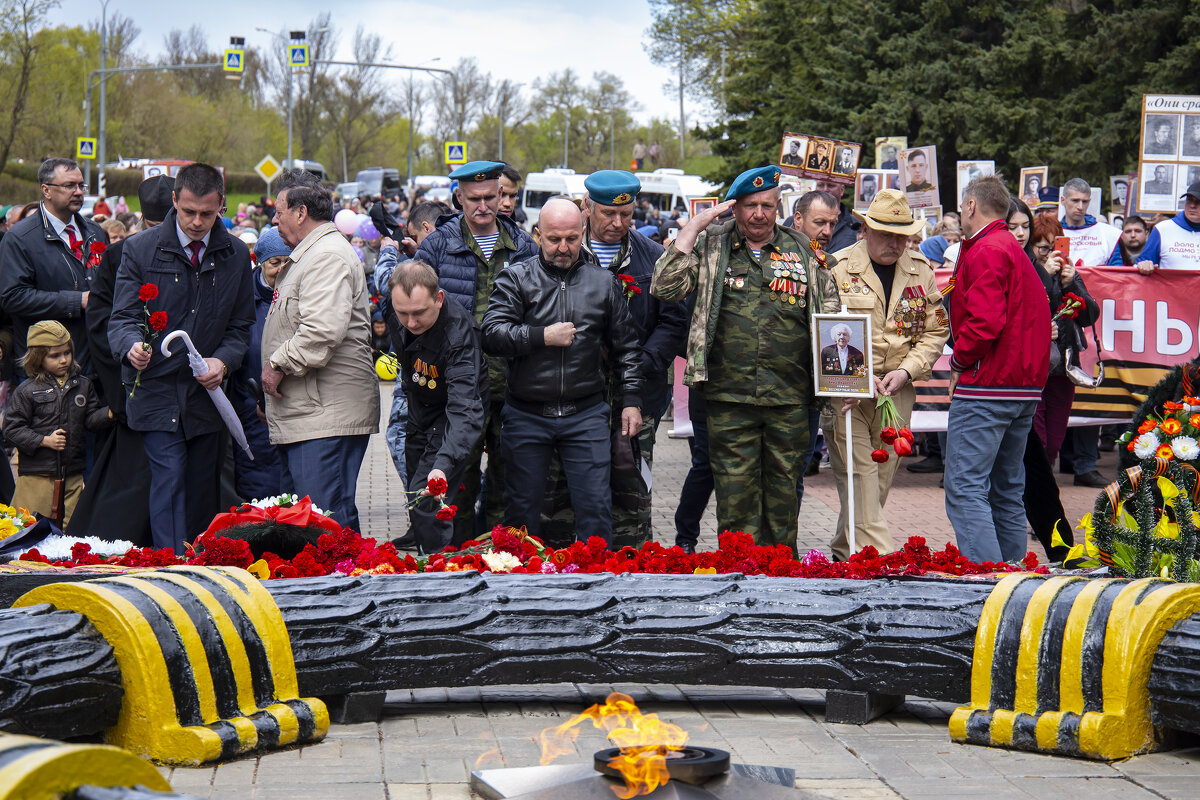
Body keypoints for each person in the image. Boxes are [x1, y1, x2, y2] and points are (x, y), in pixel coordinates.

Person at [652, 166, 838, 552]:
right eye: (750, 206)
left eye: (767, 206)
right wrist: (697, 226)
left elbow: (831, 315)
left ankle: (780, 575)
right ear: (734, 209)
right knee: (735, 496)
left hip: (790, 398)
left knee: (784, 495)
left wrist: (840, 381)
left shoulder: (802, 250)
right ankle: (740, 575)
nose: (759, 214)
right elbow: (664, 286)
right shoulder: (712, 245)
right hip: (728, 398)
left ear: (778, 207)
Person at [109, 162, 254, 552]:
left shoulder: (236, 254)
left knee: (204, 490)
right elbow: (121, 318)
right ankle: (173, 568)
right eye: (188, 211)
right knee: (169, 477)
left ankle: (201, 572)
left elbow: (241, 326)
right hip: (155, 389)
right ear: (174, 200)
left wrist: (223, 362)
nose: (196, 222)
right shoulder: (140, 249)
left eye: (207, 213)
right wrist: (131, 348)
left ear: (222, 205)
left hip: (207, 396)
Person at [481, 198, 642, 544]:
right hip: (526, 413)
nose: (563, 248)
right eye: (554, 239)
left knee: (596, 509)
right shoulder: (517, 278)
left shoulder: (603, 283)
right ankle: (521, 588)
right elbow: (492, 335)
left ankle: (597, 583)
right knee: (520, 514)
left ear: (582, 232)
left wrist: (631, 401)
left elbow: (627, 348)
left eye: (571, 238)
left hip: (585, 413)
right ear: (538, 235)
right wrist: (541, 336)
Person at [560, 170, 688, 547]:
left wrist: (643, 363)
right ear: (587, 208)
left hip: (638, 398)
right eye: (607, 214)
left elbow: (673, 318)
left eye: (626, 215)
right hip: (573, 396)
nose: (617, 223)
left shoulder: (653, 258)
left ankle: (631, 564)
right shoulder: (566, 252)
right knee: (571, 492)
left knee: (631, 491)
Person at [414, 161, 538, 539]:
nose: (483, 206)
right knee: (456, 486)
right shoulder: (437, 244)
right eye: (474, 199)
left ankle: (499, 563)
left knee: (507, 484)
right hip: (459, 390)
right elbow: (416, 308)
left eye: (490, 197)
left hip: (513, 386)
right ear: (459, 198)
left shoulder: (523, 246)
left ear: (502, 195)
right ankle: (456, 565)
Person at [825, 189, 948, 560]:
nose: (896, 243)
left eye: (903, 235)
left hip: (896, 392)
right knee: (860, 473)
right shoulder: (837, 267)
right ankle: (879, 557)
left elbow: (936, 331)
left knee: (879, 477)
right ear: (865, 229)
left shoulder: (921, 272)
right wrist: (854, 377)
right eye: (886, 233)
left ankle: (845, 550)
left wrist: (907, 371)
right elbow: (823, 331)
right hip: (847, 391)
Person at [260, 168, 380, 533]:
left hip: (325, 415)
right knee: (315, 521)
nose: (274, 219)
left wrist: (277, 363)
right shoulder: (311, 254)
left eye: (279, 211)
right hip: (313, 412)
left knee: (326, 523)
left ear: (300, 213)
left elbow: (320, 331)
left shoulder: (325, 256)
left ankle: (346, 589)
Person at [944, 175, 1050, 563]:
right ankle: (1012, 584)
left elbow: (985, 322)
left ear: (971, 206)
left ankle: (986, 585)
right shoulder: (1010, 248)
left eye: (961, 206)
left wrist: (958, 360)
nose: (960, 213)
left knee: (966, 488)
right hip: (1019, 387)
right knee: (1006, 489)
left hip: (989, 384)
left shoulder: (987, 248)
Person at [67, 175, 174, 545]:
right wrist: (123, 384)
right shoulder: (120, 255)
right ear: (143, 223)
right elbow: (102, 325)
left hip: (184, 393)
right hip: (135, 387)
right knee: (130, 486)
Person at [390, 260, 486, 555]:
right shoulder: (402, 312)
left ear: (439, 298)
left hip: (453, 414)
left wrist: (443, 465)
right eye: (402, 313)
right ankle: (432, 554)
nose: (411, 323)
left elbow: (465, 408)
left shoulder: (458, 335)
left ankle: (441, 571)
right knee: (415, 494)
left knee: (427, 497)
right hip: (420, 410)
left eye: (419, 313)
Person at [0, 157, 105, 372]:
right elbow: (12, 297)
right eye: (69, 185)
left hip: (94, 363)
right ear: (46, 190)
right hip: (45, 369)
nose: (78, 191)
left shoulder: (95, 232)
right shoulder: (20, 238)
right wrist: (77, 301)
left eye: (80, 185)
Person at [3, 321, 111, 525]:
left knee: (71, 532)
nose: (64, 360)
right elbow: (11, 430)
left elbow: (90, 419)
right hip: (37, 475)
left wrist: (111, 413)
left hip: (72, 473)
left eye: (67, 353)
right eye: (55, 355)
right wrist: (44, 441)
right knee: (29, 529)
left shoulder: (83, 385)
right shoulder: (27, 390)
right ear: (38, 358)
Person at [1019, 205, 1098, 470]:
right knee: (1036, 436)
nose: (1051, 253)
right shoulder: (1028, 271)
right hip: (1034, 366)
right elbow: (1038, 309)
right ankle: (1032, 493)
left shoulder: (1067, 273)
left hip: (1064, 367)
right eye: (1043, 248)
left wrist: (1071, 282)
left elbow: (1090, 316)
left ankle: (1044, 488)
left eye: (1056, 246)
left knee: (1054, 439)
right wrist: (1048, 277)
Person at [373, 200, 443, 492]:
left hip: (424, 371)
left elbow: (386, 284)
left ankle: (423, 506)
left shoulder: (437, 258)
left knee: (401, 438)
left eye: (414, 237)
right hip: (432, 370)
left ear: (426, 229)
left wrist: (389, 251)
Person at [229, 229, 288, 501]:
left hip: (293, 408)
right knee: (259, 493)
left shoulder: (300, 294)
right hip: (251, 412)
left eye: (288, 262)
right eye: (275, 263)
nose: (281, 269)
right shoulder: (243, 299)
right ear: (260, 262)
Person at [1134, 181, 1200, 271]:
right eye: (1189, 200)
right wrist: (1143, 265)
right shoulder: (1162, 229)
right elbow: (1141, 264)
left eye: (1198, 202)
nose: (1192, 205)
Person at [1060, 177, 1122, 265]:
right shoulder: (1051, 232)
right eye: (1075, 201)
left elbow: (1116, 273)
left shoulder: (1109, 235)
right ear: (1063, 200)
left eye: (1084, 201)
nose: (1080, 207)